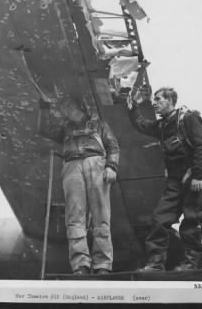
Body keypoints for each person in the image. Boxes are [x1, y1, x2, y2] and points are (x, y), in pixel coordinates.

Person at [127, 87, 202, 271]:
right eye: (154, 100)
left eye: (158, 99)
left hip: (194, 177)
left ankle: (190, 263)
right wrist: (133, 108)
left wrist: (197, 175)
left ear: (170, 101)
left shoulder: (188, 118)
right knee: (159, 219)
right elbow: (142, 124)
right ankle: (155, 264)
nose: (154, 103)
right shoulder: (163, 125)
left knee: (191, 220)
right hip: (175, 180)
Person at [38, 96, 119, 275]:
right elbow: (43, 129)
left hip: (95, 162)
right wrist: (44, 106)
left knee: (101, 215)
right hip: (72, 166)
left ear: (80, 107)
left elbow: (112, 146)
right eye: (64, 108)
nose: (66, 110)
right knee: (75, 217)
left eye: (69, 106)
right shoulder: (64, 128)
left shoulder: (99, 125)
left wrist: (111, 166)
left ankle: (102, 265)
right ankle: (80, 264)